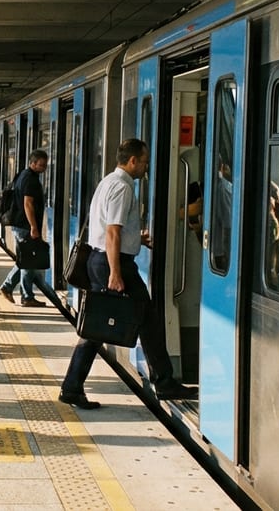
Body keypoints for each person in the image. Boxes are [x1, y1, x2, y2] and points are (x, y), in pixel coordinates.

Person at [59, 138, 195, 408]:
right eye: (144, 162)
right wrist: (115, 272)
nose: (146, 168)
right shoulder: (122, 187)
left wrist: (136, 239)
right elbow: (112, 231)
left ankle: (73, 386)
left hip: (104, 259)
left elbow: (111, 229)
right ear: (132, 160)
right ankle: (164, 382)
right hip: (113, 262)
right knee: (141, 319)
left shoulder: (108, 181)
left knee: (114, 324)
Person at [0, 149, 53, 307]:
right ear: (32, 163)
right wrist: (33, 226)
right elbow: (28, 204)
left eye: (45, 165)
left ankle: (10, 288)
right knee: (28, 261)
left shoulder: (23, 174)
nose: (43, 168)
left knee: (26, 259)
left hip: (20, 224)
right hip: (24, 225)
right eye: (41, 165)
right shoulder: (30, 179)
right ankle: (26, 296)